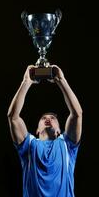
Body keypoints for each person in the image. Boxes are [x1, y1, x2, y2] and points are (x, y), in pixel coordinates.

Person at [7, 64, 83, 197]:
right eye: (43, 118)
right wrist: (26, 82)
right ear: (37, 130)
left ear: (59, 130)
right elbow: (13, 117)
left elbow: (77, 114)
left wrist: (61, 80)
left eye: (53, 118)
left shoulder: (67, 145)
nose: (48, 119)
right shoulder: (29, 145)